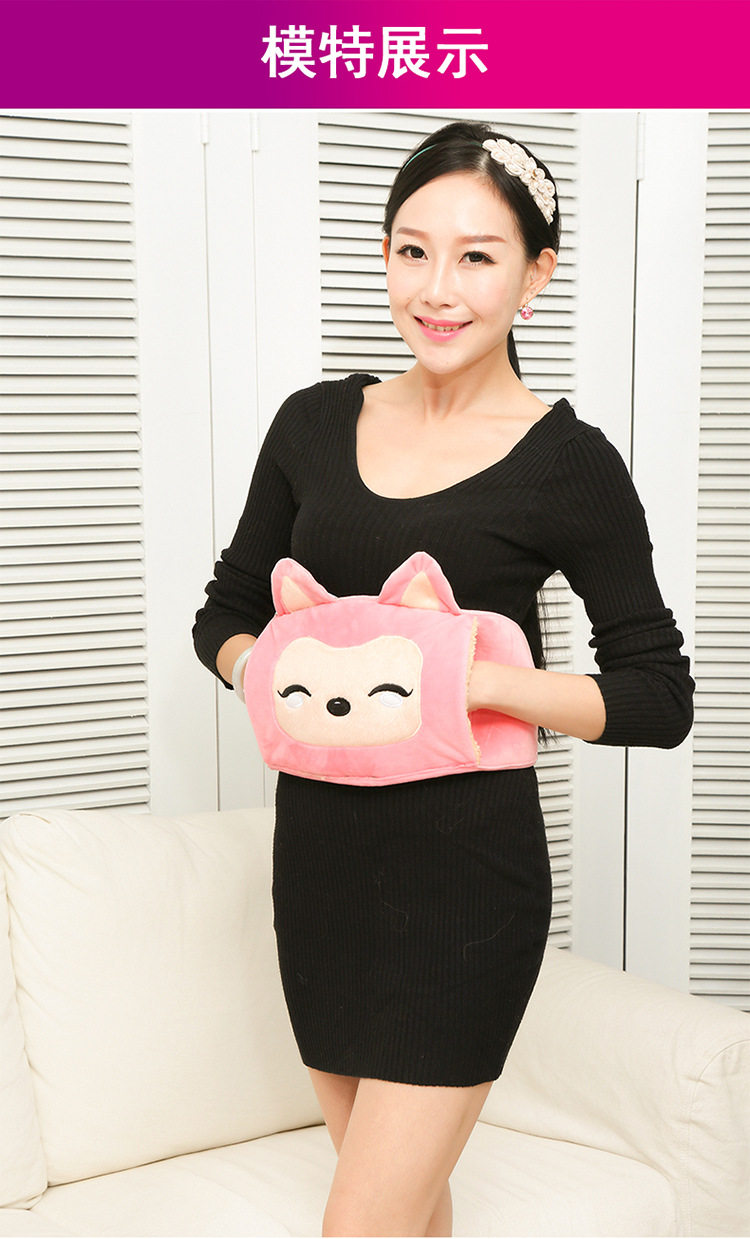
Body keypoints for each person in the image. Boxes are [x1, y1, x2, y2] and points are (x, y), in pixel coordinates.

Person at [193, 121, 694, 1237]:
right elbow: (224, 616)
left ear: (536, 275)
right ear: (383, 256)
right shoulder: (314, 423)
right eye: (412, 251)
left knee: (359, 1224)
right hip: (320, 871)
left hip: (466, 886)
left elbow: (659, 696)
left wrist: (471, 681)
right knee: (408, 1215)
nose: (437, 288)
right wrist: (279, 670)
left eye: (477, 256)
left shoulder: (569, 463)